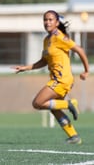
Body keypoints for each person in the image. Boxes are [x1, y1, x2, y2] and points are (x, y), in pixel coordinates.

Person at [13, 10, 89, 144]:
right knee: (54, 109)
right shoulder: (47, 40)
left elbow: (80, 50)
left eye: (50, 20)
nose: (47, 22)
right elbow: (44, 61)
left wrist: (86, 70)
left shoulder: (60, 37)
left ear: (57, 22)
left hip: (62, 80)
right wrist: (26, 67)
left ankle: (69, 104)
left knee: (37, 103)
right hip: (58, 80)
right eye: (45, 20)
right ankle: (74, 136)